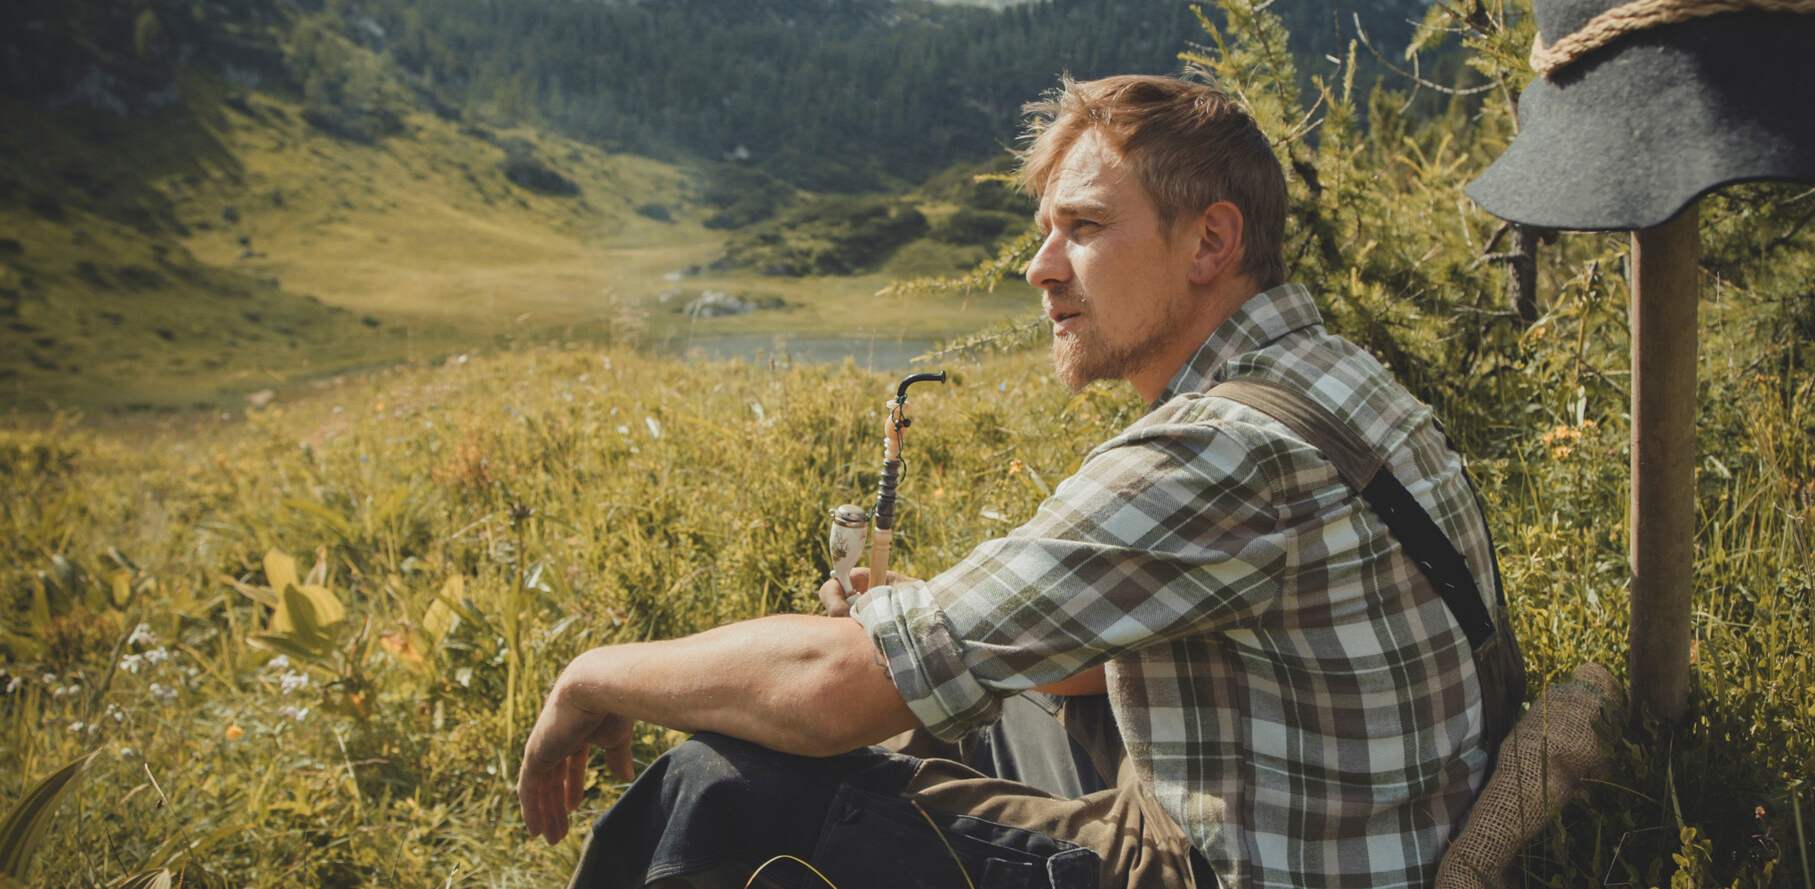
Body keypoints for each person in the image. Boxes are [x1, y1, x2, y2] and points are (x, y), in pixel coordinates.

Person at [518, 75, 1513, 889]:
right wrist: (933, 623)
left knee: (724, 784)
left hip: (1250, 866)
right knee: (987, 691)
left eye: (1081, 227)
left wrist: (593, 671)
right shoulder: (1328, 375)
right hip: (1365, 825)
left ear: (1211, 242)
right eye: (1046, 229)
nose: (1040, 268)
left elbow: (831, 692)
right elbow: (1105, 633)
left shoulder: (1220, 450)